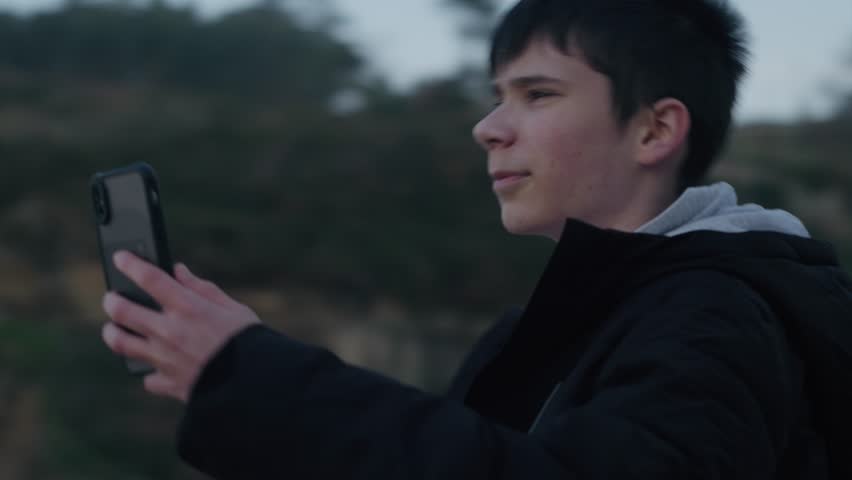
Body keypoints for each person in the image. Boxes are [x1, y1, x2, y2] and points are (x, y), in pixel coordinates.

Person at [100, 0, 852, 478]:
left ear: (655, 128)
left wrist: (259, 380)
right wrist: (234, 375)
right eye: (497, 97)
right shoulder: (564, 320)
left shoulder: (713, 316)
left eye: (538, 95)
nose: (488, 128)